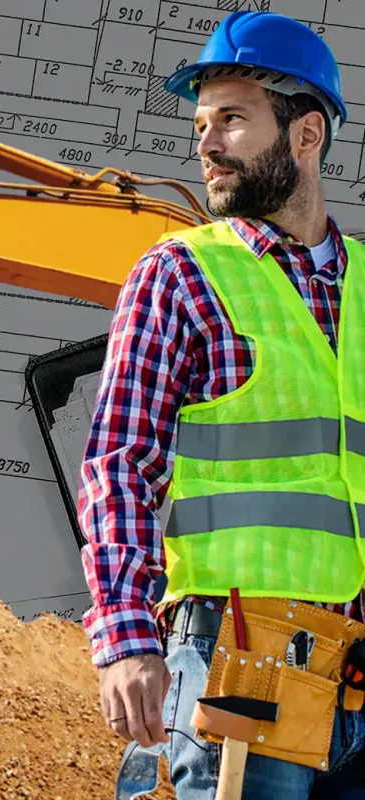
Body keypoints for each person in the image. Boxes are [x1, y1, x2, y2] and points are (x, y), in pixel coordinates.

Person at [77, 10, 365, 799]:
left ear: (306, 136)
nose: (206, 144)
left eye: (233, 120)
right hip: (238, 661)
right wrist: (127, 640)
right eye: (203, 123)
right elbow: (119, 465)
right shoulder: (177, 277)